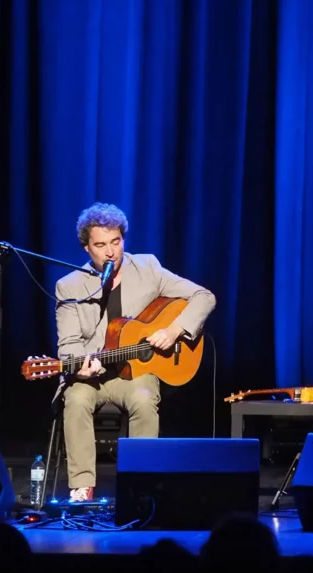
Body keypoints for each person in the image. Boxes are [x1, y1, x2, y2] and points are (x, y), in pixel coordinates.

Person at [54, 202, 216, 502]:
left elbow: (203, 297)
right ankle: (82, 487)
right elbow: (68, 347)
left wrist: (174, 330)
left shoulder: (148, 268)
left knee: (143, 399)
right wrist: (79, 367)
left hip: (137, 374)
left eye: (116, 242)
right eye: (100, 245)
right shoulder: (69, 286)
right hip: (93, 377)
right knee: (75, 399)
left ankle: (140, 483)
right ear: (86, 248)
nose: (110, 252)